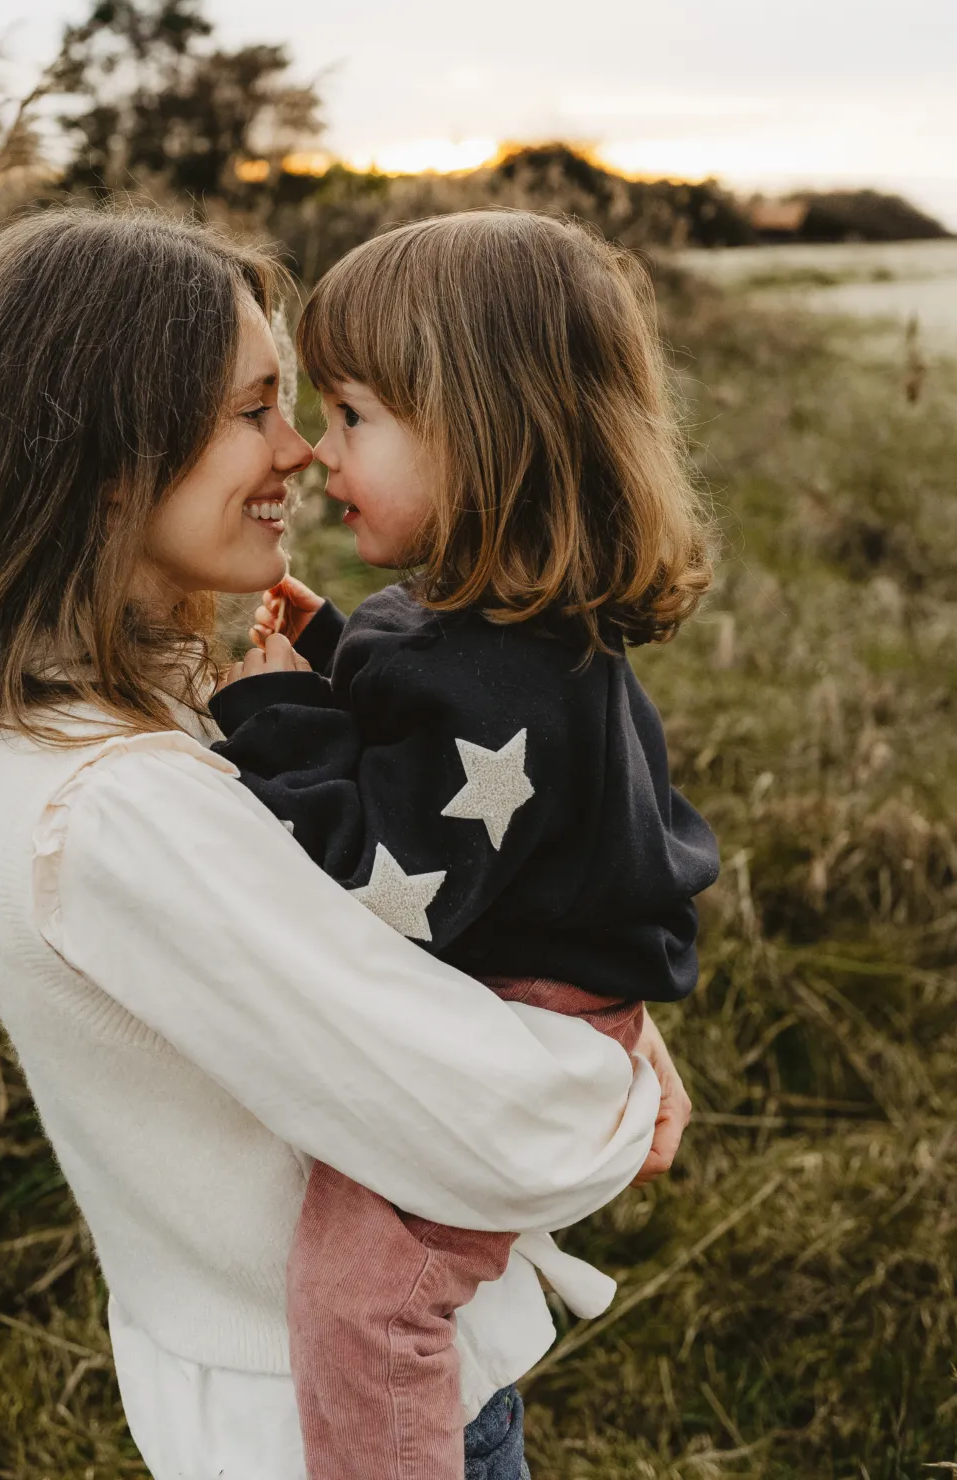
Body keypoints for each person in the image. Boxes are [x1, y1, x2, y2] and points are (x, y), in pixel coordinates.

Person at [0, 207, 688, 1480]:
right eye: (255, 411)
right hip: (323, 1427)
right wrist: (613, 1076)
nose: (297, 449)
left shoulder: (107, 713)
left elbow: (409, 899)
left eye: (316, 408)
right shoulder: (113, 809)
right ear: (109, 459)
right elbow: (503, 1127)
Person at [209, 210, 719, 1480]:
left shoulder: (499, 679)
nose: (319, 454)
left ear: (480, 435)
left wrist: (273, 716)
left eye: (352, 416)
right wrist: (330, 648)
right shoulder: (501, 623)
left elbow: (389, 886)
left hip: (527, 1018)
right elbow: (419, 729)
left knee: (363, 1294)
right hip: (549, 988)